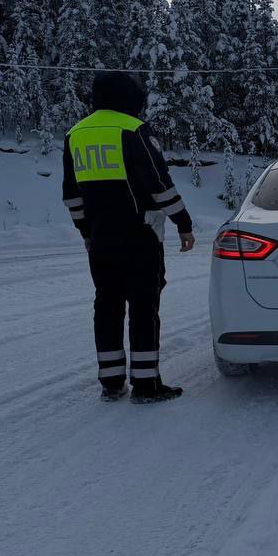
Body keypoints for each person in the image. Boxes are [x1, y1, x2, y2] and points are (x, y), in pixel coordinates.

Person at [62, 70, 195, 403]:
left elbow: (72, 195)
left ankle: (111, 383)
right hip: (141, 236)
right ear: (131, 97)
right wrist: (183, 223)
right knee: (143, 306)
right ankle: (146, 385)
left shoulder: (74, 135)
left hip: (101, 240)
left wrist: (86, 232)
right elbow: (159, 185)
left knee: (106, 306)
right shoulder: (133, 130)